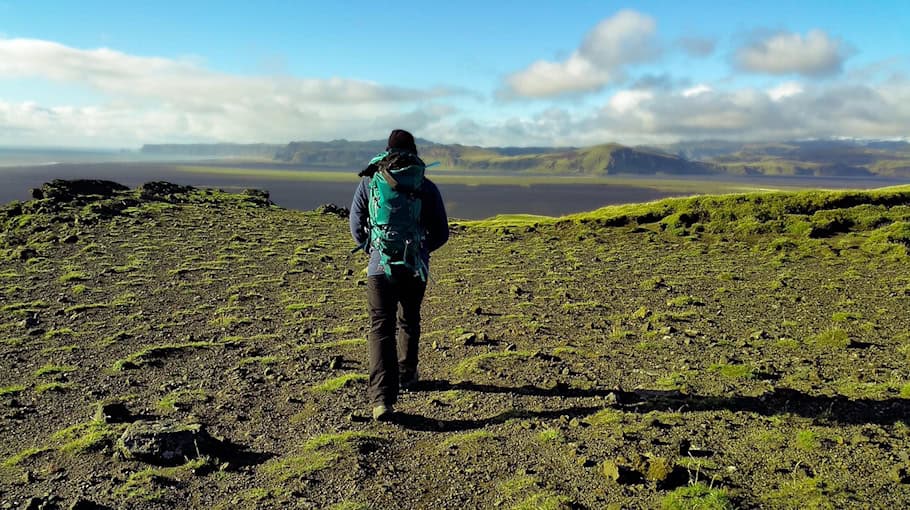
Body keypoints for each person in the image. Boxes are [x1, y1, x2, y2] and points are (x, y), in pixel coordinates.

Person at [349, 129, 449, 421]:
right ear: (415, 151)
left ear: (387, 150)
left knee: (381, 327)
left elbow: (356, 225)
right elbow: (442, 232)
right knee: (409, 318)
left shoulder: (371, 182)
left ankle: (382, 399)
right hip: (415, 267)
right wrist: (421, 250)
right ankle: (408, 373)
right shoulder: (425, 185)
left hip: (379, 267)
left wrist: (374, 248)